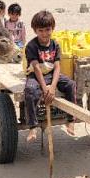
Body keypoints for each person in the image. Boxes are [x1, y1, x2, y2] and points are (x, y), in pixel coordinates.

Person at [23, 10, 77, 142]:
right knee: (30, 91)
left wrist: (52, 87)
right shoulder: (31, 46)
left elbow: (58, 66)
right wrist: (45, 88)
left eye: (47, 30)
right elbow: (35, 67)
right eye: (40, 30)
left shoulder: (55, 44)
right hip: (36, 75)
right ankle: (32, 126)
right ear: (35, 30)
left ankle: (70, 120)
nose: (44, 34)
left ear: (52, 29)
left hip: (52, 74)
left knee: (71, 84)